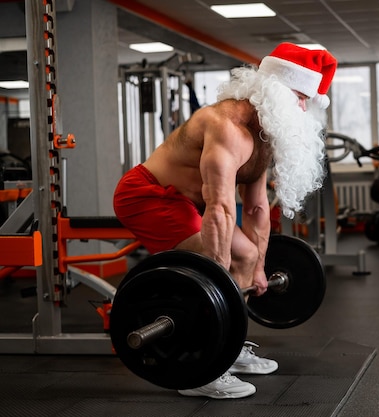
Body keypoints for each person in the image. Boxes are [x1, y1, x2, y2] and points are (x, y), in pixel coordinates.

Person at [113, 43, 337, 399]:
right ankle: (200, 366)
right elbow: (219, 208)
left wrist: (259, 267)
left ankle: (227, 347)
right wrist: (217, 284)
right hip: (148, 195)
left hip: (190, 203)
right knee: (217, 263)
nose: (302, 107)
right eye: (299, 97)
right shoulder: (226, 126)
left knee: (247, 256)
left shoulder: (263, 135)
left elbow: (258, 208)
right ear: (275, 90)